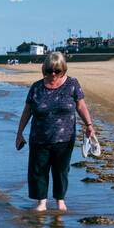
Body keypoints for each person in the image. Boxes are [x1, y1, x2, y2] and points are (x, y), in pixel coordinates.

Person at [15, 51, 97, 212]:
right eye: (49, 71)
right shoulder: (36, 87)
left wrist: (89, 125)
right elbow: (27, 111)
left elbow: (80, 106)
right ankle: (42, 203)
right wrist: (19, 133)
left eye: (57, 71)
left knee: (61, 170)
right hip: (39, 137)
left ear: (63, 70)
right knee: (38, 171)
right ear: (44, 69)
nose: (53, 74)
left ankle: (60, 201)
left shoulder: (72, 84)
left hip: (64, 138)